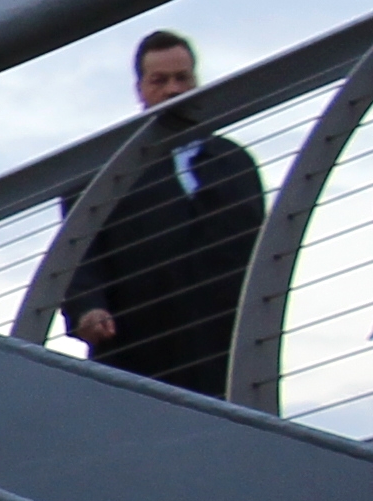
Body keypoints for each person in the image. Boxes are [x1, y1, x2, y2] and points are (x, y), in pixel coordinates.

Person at [63, 26, 268, 388]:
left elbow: (262, 252)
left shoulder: (236, 163)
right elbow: (78, 261)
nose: (173, 90)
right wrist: (87, 309)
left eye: (182, 78)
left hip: (228, 354)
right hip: (136, 358)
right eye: (159, 80)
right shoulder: (100, 173)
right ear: (140, 89)